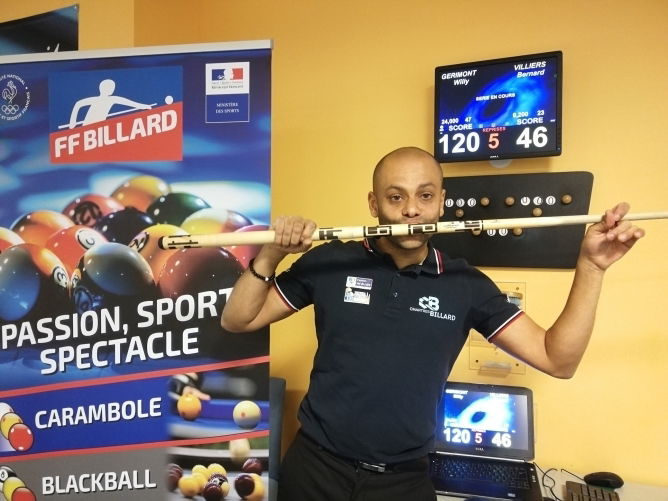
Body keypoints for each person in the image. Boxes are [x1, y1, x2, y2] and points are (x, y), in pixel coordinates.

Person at [221, 146, 645, 501]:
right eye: (395, 197)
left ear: (441, 202)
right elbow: (239, 320)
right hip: (315, 469)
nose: (411, 210)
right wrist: (272, 254)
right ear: (374, 204)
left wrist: (592, 266)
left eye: (424, 196)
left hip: (404, 482)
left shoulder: (467, 285)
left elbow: (558, 360)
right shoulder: (331, 261)